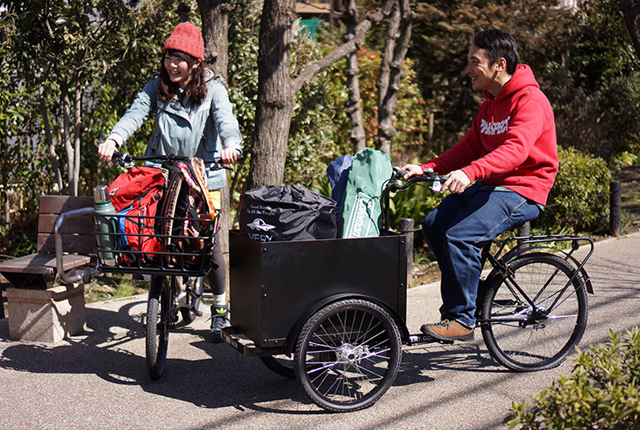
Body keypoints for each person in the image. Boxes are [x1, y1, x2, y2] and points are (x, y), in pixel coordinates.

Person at [402, 29, 558, 341]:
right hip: (492, 185)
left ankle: (460, 319)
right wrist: (426, 167)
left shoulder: (530, 100)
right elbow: (470, 146)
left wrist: (471, 172)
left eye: (475, 62)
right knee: (434, 224)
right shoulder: (489, 103)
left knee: (461, 237)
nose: (468, 69)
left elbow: (517, 150)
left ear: (499, 64)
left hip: (523, 188)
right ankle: (471, 295)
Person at [98, 21, 242, 343]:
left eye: (179, 59)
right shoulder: (157, 86)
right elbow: (134, 114)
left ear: (195, 63)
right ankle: (169, 291)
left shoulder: (213, 90)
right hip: (162, 173)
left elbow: (226, 122)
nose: (172, 65)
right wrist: (114, 139)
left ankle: (220, 308)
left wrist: (231, 146)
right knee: (157, 232)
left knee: (208, 244)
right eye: (168, 58)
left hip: (203, 176)